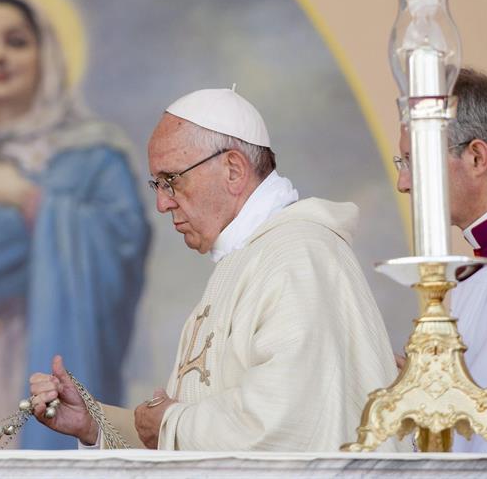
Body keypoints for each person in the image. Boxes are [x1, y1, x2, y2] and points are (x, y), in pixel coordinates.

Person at [29, 88, 404, 451]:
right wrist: (94, 424)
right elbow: (195, 441)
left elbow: (286, 427)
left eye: (171, 180)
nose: (161, 203)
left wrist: (171, 423)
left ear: (233, 170)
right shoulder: (246, 260)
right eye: (156, 184)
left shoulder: (299, 255)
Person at [0, 0, 151, 449]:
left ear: (46, 54)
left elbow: (124, 244)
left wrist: (27, 197)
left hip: (59, 338)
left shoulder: (94, 152)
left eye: (15, 41)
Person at [395, 68, 487, 453]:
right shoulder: (484, 266)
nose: (403, 183)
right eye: (401, 162)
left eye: (413, 160)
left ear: (476, 157)